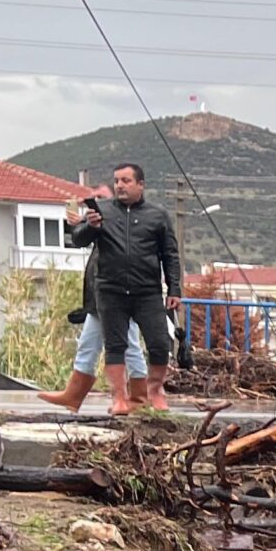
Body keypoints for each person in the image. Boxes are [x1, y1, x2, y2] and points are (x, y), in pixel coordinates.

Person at [64, 161, 181, 415]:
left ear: (141, 184)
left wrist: (174, 288)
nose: (120, 185)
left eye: (126, 181)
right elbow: (79, 239)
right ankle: (119, 398)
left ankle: (155, 391)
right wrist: (90, 226)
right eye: (117, 181)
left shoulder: (157, 215)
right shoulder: (102, 210)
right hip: (110, 290)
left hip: (147, 291)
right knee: (115, 347)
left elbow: (170, 254)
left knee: (160, 343)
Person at [37, 210, 151, 411]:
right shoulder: (115, 220)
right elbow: (87, 235)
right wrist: (82, 222)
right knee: (88, 344)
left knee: (128, 345)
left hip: (119, 294)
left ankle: (138, 399)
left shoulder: (126, 220)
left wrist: (83, 221)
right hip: (101, 295)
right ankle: (74, 395)